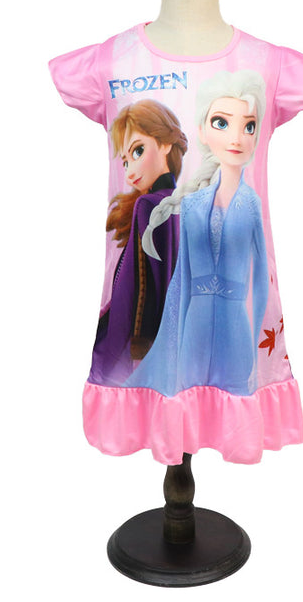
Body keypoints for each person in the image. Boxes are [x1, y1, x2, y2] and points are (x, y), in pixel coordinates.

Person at [125, 69, 268, 396]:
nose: (236, 138)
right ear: (202, 131)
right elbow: (181, 281)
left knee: (234, 403)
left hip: (236, 331)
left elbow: (261, 280)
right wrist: (175, 344)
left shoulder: (251, 204)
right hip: (195, 329)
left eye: (248, 126)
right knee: (189, 399)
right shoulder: (192, 205)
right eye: (222, 123)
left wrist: (259, 350)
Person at [89, 99, 188, 386]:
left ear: (166, 144)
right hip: (166, 333)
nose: (130, 171)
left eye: (138, 151)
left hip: (133, 335)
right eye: (125, 161)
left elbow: (146, 284)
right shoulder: (180, 203)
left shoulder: (149, 205)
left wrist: (140, 345)